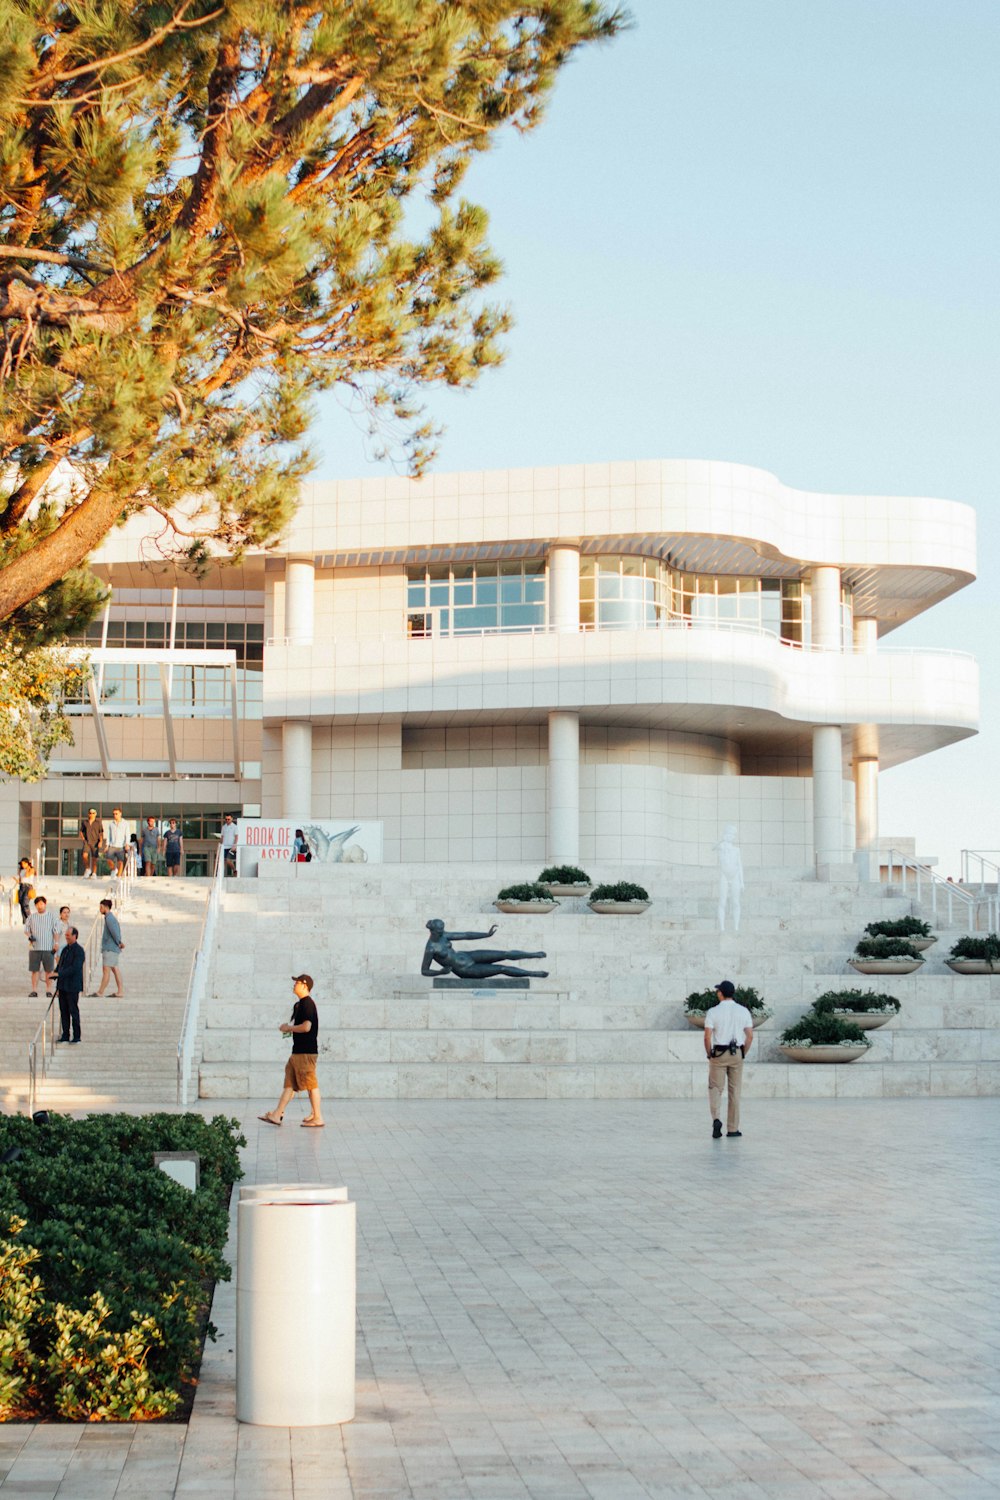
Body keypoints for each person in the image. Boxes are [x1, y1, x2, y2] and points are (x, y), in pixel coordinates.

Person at [259, 975, 324, 1128]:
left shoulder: (308, 1004)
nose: (294, 984)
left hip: (305, 1053)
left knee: (311, 1084)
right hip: (297, 1052)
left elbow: (306, 1027)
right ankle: (277, 1114)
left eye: (297, 982)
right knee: (289, 1083)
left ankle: (318, 1117)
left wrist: (289, 1028)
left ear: (305, 985)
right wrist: (286, 1030)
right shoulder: (299, 1005)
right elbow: (298, 1028)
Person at [704, 979, 754, 1139]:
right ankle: (733, 1128)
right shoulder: (743, 1011)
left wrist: (709, 1053)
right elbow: (750, 1036)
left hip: (719, 1053)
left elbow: (707, 1037)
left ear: (720, 993)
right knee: (735, 1091)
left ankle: (717, 1119)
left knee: (715, 1089)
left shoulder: (713, 1012)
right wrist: (743, 1053)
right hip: (736, 1053)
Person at [420, 919, 549, 980]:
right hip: (464, 970)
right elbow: (424, 971)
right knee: (502, 968)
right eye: (439, 930)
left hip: (468, 956)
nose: (442, 931)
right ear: (432, 931)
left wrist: (485, 934)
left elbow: (466, 935)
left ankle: (533, 954)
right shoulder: (430, 948)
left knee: (505, 954)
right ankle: (533, 974)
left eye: (443, 928)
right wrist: (440, 972)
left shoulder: (444, 935)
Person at [55, 926, 85, 1044]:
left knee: (73, 1010)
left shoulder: (79, 950)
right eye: (66, 935)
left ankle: (77, 1036)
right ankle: (65, 1035)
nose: (66, 937)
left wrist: (59, 973)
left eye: (68, 935)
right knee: (64, 1011)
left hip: (73, 986)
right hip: (62, 986)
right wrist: (55, 974)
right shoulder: (65, 950)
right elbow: (60, 965)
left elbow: (75, 968)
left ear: (75, 936)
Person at [24, 895, 57, 999]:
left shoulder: (51, 917)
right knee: (35, 970)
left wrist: (56, 943)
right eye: (38, 904)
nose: (40, 906)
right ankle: (34, 990)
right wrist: (30, 936)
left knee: (49, 970)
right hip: (35, 947)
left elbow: (55, 931)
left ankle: (49, 990)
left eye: (41, 904)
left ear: (45, 904)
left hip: (48, 947)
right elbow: (26, 929)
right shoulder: (31, 917)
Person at [714, 824, 744, 933]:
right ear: (726, 835)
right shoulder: (721, 847)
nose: (732, 837)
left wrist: (742, 882)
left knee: (735, 902)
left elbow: (740, 865)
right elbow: (713, 847)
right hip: (724, 876)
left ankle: (736, 926)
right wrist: (722, 839)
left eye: (733, 835)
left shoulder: (736, 850)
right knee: (722, 901)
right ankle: (722, 927)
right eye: (730, 834)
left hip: (735, 875)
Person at [93, 897, 125, 997]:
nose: (100, 909)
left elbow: (114, 932)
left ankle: (101, 992)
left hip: (110, 948)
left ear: (106, 907)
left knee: (106, 969)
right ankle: (120, 991)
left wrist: (119, 942)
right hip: (112, 948)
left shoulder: (109, 918)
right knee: (115, 969)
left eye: (101, 907)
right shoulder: (109, 918)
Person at [105, 807, 133, 877]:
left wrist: (127, 844)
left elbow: (127, 834)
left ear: (120, 814)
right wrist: (107, 845)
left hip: (121, 846)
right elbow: (109, 835)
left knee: (120, 862)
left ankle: (119, 877)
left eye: (116, 814)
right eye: (113, 814)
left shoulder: (125, 823)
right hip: (112, 845)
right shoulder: (111, 824)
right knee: (108, 859)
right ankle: (114, 869)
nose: (115, 815)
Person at [79, 809, 104, 879]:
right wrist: (83, 839)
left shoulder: (98, 823)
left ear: (95, 814)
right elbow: (81, 831)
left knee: (94, 859)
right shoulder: (85, 822)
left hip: (95, 842)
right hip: (87, 841)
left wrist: (101, 841)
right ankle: (87, 869)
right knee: (84, 855)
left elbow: (101, 832)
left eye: (93, 813)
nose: (91, 814)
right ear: (88, 814)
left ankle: (94, 873)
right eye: (90, 813)